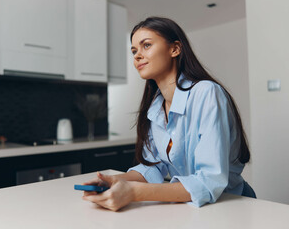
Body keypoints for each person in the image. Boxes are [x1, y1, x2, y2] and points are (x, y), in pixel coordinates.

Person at [82, 16, 256, 211]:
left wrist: (133, 192)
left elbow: (209, 181)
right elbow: (153, 167)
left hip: (231, 205)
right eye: (134, 51)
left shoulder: (206, 93)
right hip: (193, 208)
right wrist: (113, 181)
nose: (137, 56)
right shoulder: (155, 107)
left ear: (175, 49)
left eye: (146, 45)